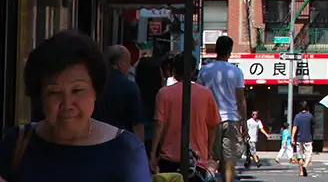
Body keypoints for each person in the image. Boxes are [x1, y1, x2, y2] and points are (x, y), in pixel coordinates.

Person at [0, 31, 150, 182]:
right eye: (54, 92)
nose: (67, 104)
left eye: (77, 90)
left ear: (95, 91)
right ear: (40, 97)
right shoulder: (17, 143)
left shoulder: (126, 151)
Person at [150, 54, 218, 175]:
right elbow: (212, 126)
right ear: (193, 70)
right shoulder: (206, 94)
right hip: (198, 159)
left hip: (169, 157)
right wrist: (208, 151)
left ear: (174, 69)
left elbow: (158, 125)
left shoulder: (164, 93)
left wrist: (153, 154)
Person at [196, 36, 246, 182]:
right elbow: (241, 99)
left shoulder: (205, 71)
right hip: (231, 119)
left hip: (210, 120)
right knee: (229, 161)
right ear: (230, 51)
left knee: (212, 158)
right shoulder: (236, 72)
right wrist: (244, 123)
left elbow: (199, 95)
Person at [92, 45, 145, 141]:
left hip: (95, 140)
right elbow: (137, 125)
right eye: (128, 63)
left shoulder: (94, 83)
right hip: (121, 142)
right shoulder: (130, 87)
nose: (129, 67)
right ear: (120, 64)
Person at [291, 106, 314, 177]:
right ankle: (305, 165)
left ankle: (301, 172)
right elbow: (313, 126)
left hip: (299, 138)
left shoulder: (297, 116)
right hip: (308, 138)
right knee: (308, 155)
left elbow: (295, 127)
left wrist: (292, 137)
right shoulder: (310, 116)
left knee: (300, 156)